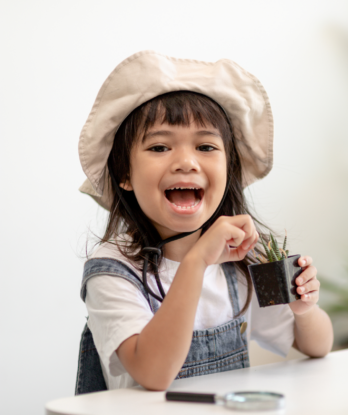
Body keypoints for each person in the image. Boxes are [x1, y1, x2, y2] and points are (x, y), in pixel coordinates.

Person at [75, 51, 334, 393]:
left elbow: (318, 346)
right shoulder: (112, 270)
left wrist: (304, 309)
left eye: (206, 146)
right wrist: (197, 261)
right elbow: (153, 373)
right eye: (159, 147)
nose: (186, 162)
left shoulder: (241, 262)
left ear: (229, 170)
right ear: (124, 173)